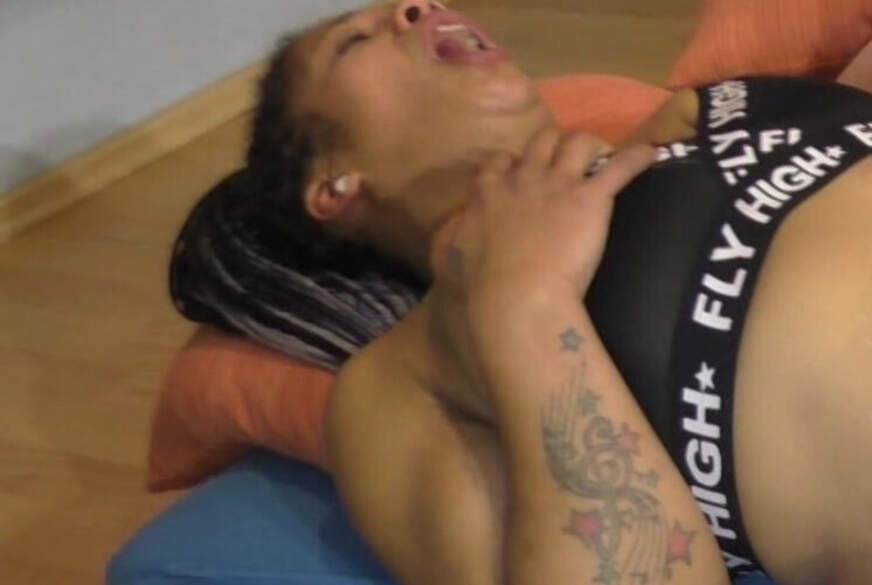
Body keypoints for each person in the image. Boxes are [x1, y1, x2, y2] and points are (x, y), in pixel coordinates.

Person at [169, 2, 872, 584]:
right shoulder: (409, 377)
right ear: (333, 183)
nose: (415, 6)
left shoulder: (699, 115)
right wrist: (525, 301)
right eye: (355, 40)